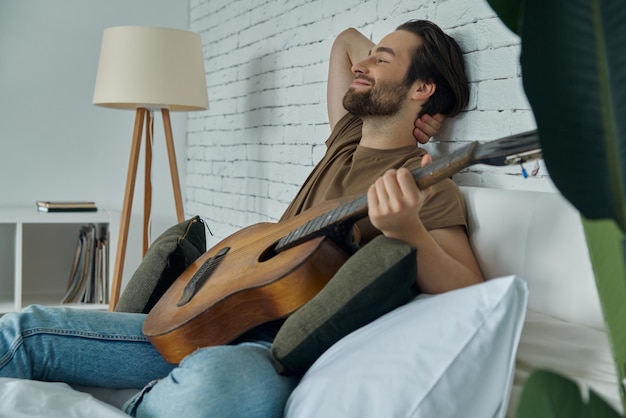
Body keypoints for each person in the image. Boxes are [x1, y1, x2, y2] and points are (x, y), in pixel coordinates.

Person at [0, 20, 483, 417]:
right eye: (372, 55)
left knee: (217, 389)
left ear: (422, 86)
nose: (362, 64)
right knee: (24, 330)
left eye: (382, 59)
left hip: (267, 344)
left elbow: (471, 290)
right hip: (212, 314)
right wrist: (390, 72)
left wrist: (408, 232)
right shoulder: (347, 137)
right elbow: (344, 43)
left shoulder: (424, 182)